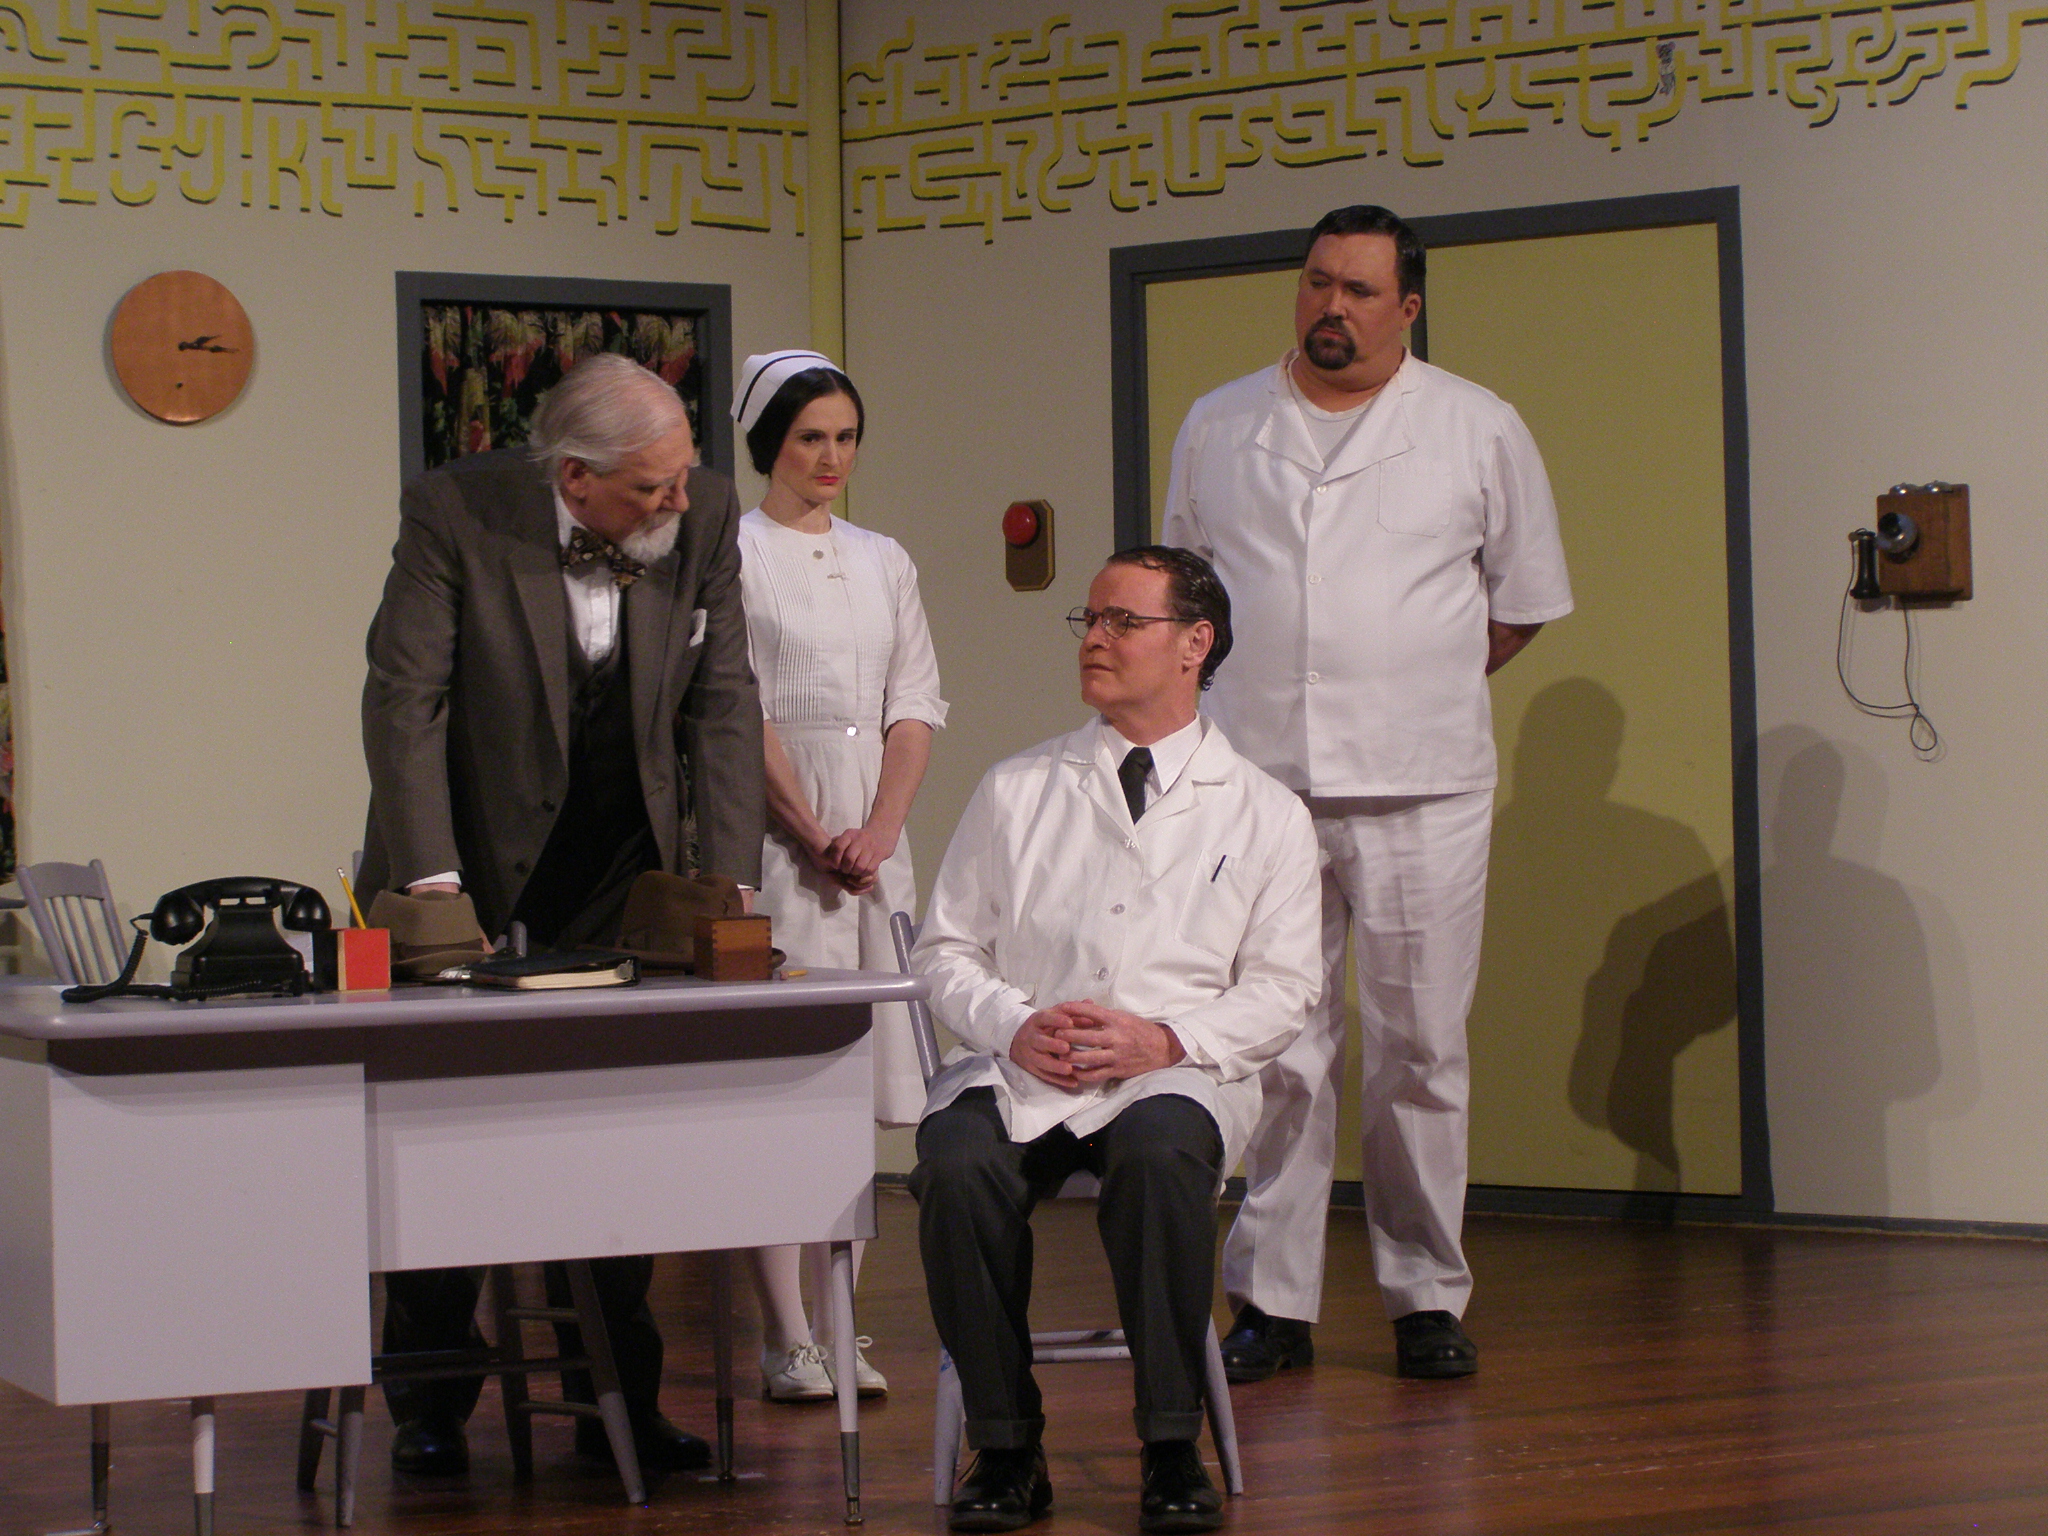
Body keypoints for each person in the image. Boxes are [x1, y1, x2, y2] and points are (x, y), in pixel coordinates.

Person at [1162, 204, 1574, 1385]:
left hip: (1422, 787)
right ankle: (1271, 1301)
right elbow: (1186, 591)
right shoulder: (1219, 422)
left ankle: (1424, 1295)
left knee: (1419, 1048)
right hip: (1258, 786)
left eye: (1356, 290)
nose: (1329, 306)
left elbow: (1519, 602)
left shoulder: (1475, 425)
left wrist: (1408, 674)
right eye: (1315, 283)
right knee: (1279, 1049)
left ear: (1407, 308)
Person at [358, 351, 765, 1475]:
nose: (675, 501)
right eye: (649, 487)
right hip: (469, 855)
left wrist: (730, 881)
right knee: (440, 1140)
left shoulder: (704, 510)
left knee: (611, 1136)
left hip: (617, 860)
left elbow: (725, 700)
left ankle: (616, 1402)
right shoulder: (454, 512)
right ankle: (431, 1403)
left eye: (681, 476)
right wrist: (431, 880)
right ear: (574, 477)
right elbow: (405, 698)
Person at [910, 547, 1320, 1534]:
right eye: (1088, 620)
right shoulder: (1017, 787)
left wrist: (1166, 1040)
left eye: (1122, 622)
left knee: (1161, 1154)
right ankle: (1006, 1447)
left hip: (1171, 1076)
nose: (1094, 639)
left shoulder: (1265, 812)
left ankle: (1171, 1443)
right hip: (1025, 1070)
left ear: (1194, 644)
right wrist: (1014, 1023)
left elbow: (1285, 989)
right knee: (954, 1163)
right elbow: (945, 949)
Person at [730, 349, 947, 1402]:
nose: (830, 457)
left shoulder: (882, 558)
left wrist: (878, 828)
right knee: (782, 1090)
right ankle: (786, 1334)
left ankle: (843, 1322)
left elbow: (915, 701)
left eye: (846, 437)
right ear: (768, 440)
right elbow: (736, 707)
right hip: (781, 842)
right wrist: (812, 829)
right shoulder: (733, 553)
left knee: (859, 1092)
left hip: (872, 847)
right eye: (810, 437)